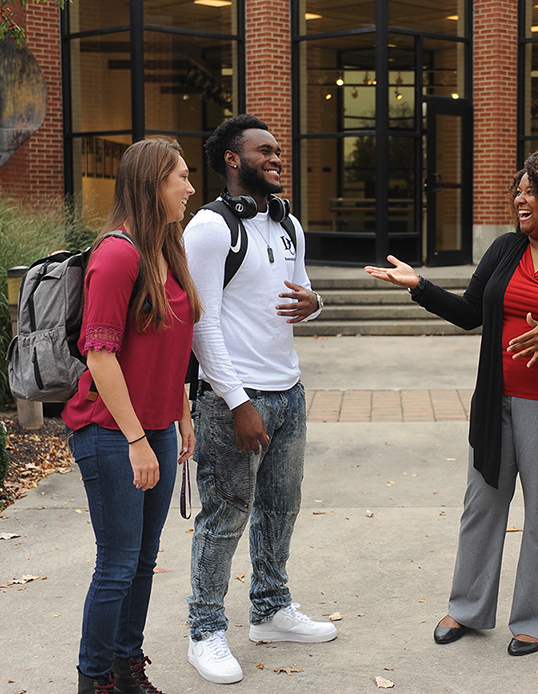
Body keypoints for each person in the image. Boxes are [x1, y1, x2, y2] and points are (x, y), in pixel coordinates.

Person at [366, 150, 538, 656]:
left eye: (531, 191)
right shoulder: (507, 249)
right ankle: (467, 608)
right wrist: (420, 286)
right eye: (519, 189)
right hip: (496, 401)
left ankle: (537, 619)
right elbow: (469, 312)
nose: (519, 198)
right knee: (482, 501)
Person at [184, 114, 335, 685]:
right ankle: (205, 631)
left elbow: (302, 291)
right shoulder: (209, 229)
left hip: (288, 390)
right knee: (224, 515)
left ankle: (271, 610)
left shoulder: (287, 221)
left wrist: (314, 303)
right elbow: (203, 323)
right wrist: (236, 398)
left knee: (281, 507)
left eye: (278, 151)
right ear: (231, 158)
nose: (276, 158)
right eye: (264, 151)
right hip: (234, 400)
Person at [63, 137, 201, 694]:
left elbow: (171, 345)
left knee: (143, 561)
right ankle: (94, 680)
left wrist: (182, 412)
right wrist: (137, 439)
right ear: (153, 185)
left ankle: (126, 666)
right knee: (117, 565)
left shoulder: (170, 248)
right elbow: (100, 354)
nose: (191, 189)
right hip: (111, 433)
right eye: (181, 179)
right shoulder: (117, 255)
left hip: (158, 428)